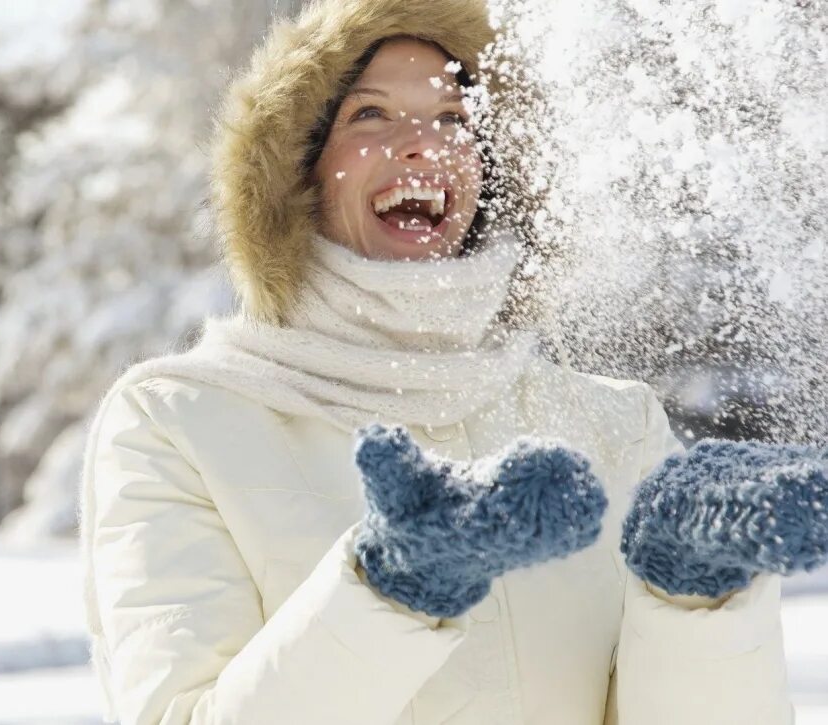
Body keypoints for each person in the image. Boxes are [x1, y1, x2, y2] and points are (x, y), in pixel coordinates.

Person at [78, 0, 794, 723]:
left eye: (454, 118)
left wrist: (699, 600)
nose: (425, 145)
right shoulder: (181, 423)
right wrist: (390, 589)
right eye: (371, 115)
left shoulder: (615, 425)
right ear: (296, 167)